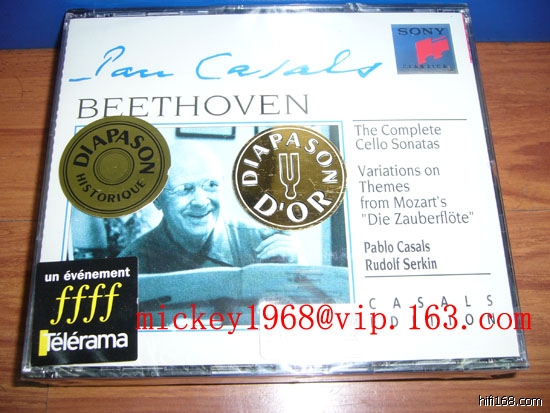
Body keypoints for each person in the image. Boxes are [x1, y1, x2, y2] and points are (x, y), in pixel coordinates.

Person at [119, 141, 299, 273]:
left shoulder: (262, 245)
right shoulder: (132, 261)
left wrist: (297, 271)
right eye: (185, 189)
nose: (201, 201)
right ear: (157, 199)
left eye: (211, 185)